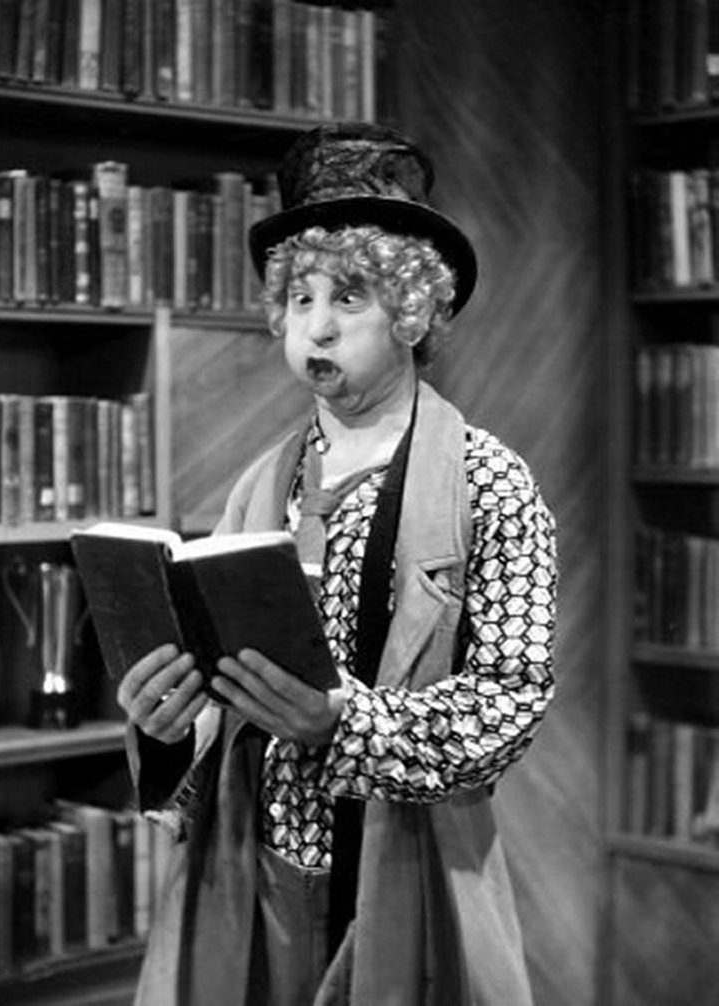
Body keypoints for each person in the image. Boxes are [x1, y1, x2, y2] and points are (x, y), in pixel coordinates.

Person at [117, 122, 557, 1006]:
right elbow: (224, 687)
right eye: (301, 297)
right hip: (256, 872)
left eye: (349, 297)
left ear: (412, 310)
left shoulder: (487, 480)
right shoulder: (262, 480)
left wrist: (344, 724)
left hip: (404, 876)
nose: (315, 326)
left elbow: (513, 697)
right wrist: (166, 724)